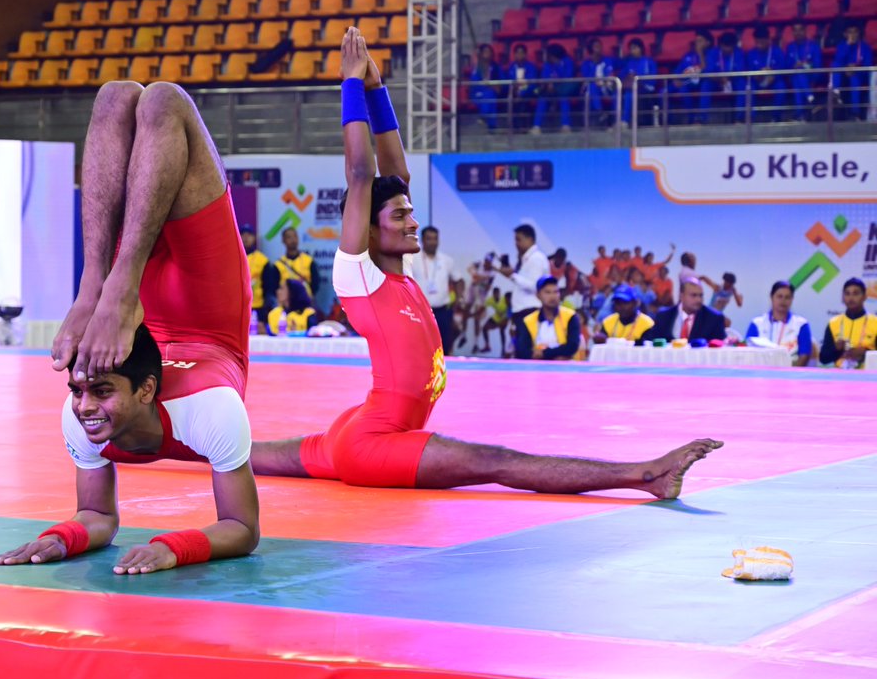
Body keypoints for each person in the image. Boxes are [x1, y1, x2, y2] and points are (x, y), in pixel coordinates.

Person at [249, 28, 723, 497]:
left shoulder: (400, 275)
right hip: (374, 443)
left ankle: (173, 441)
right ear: (371, 231)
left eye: (411, 211)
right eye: (400, 215)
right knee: (495, 462)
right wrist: (350, 84)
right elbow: (360, 174)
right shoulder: (358, 276)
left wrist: (376, 90)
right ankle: (644, 475)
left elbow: (396, 176)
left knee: (240, 452)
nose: (413, 219)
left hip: (355, 430)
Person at [0, 81, 260, 576]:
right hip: (211, 309)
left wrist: (173, 547)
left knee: (153, 99)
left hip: (140, 307)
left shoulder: (205, 413)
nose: (83, 406)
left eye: (96, 391)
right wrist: (62, 538)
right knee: (131, 98)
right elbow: (96, 516)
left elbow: (244, 530)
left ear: (146, 390)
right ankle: (100, 278)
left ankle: (106, 281)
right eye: (79, 390)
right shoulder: (91, 414)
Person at [410, 225, 463, 355]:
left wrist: (459, 299)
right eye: (429, 239)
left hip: (443, 311)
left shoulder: (447, 260)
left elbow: (459, 280)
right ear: (422, 240)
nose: (433, 242)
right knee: (421, 347)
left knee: (444, 346)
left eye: (435, 239)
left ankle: (444, 374)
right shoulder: (412, 259)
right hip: (420, 311)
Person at [745, 281, 812, 367]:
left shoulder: (801, 324)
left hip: (790, 373)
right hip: (760, 372)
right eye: (779, 296)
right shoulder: (757, 323)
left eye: (787, 297)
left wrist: (793, 374)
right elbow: (748, 352)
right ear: (771, 297)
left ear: (792, 299)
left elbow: (805, 354)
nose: (783, 300)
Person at [513, 276, 581, 360]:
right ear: (538, 295)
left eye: (556, 292)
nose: (552, 296)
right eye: (547, 292)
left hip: (567, 368)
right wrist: (554, 355)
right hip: (536, 368)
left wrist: (544, 353)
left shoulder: (570, 316)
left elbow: (572, 346)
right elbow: (523, 351)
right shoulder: (528, 321)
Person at [498, 223, 549, 331]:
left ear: (530, 239)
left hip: (529, 311)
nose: (516, 244)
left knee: (528, 347)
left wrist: (512, 276)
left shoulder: (536, 258)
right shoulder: (527, 259)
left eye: (518, 240)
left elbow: (535, 286)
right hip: (523, 311)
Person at [819, 277, 877, 368]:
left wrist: (865, 354)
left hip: (868, 377)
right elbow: (823, 358)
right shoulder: (833, 323)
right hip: (840, 377)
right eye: (847, 294)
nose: (851, 298)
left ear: (865, 296)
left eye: (856, 293)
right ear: (843, 297)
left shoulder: (875, 323)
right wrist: (836, 348)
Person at [651, 279, 728, 342]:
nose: (698, 300)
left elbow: (721, 347)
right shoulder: (663, 316)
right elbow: (651, 341)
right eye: (693, 295)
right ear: (681, 296)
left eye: (700, 295)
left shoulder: (714, 318)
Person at [831, 21, 873, 121]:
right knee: (835, 65)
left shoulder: (865, 47)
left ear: (859, 33)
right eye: (850, 32)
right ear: (845, 34)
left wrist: (856, 69)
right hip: (843, 75)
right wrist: (847, 45)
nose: (853, 35)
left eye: (855, 32)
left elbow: (867, 66)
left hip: (859, 75)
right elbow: (838, 61)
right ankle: (836, 92)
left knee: (854, 79)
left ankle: (855, 113)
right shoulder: (842, 46)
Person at [532, 43, 577, 134]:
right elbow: (544, 77)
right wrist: (549, 84)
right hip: (550, 90)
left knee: (564, 98)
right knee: (542, 99)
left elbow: (568, 77)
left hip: (564, 89)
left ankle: (566, 125)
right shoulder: (547, 64)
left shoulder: (567, 62)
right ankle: (537, 126)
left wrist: (555, 83)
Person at [241, 223, 279, 333]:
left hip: (258, 307)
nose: (246, 237)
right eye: (243, 234)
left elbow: (269, 286)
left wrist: (266, 308)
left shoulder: (262, 260)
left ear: (254, 238)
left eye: (249, 235)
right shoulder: (232, 257)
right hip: (237, 308)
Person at [747, 26, 788, 122]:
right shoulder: (751, 53)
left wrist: (773, 74)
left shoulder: (777, 51)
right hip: (757, 81)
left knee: (781, 86)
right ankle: (751, 118)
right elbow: (749, 72)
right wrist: (758, 75)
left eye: (762, 42)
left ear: (768, 40)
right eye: (757, 42)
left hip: (773, 81)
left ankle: (775, 117)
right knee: (748, 87)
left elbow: (782, 70)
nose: (759, 45)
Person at [706, 32, 748, 123]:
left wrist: (728, 78)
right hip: (717, 81)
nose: (727, 49)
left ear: (734, 46)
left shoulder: (739, 53)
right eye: (724, 46)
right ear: (720, 45)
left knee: (742, 84)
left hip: (733, 81)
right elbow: (709, 72)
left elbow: (741, 71)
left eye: (729, 47)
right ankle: (702, 119)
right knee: (705, 85)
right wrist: (720, 79)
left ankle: (739, 118)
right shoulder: (713, 52)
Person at [785, 22, 823, 121]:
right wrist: (794, 66)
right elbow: (787, 66)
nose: (798, 33)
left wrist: (804, 65)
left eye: (800, 30)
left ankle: (799, 114)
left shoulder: (813, 46)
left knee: (799, 75)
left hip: (812, 75)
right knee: (797, 77)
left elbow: (818, 65)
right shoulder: (790, 47)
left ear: (805, 31)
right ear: (792, 32)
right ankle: (811, 100)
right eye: (795, 30)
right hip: (795, 77)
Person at [675, 30, 714, 125]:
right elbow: (677, 72)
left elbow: (706, 70)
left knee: (706, 85)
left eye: (700, 41)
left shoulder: (712, 53)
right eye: (696, 41)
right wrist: (676, 80)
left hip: (705, 81)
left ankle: (701, 119)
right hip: (689, 82)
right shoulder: (688, 55)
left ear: (708, 43)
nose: (697, 43)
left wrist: (700, 52)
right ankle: (691, 119)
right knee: (670, 91)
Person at [275, 226, 321, 302]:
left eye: (295, 236)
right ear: (283, 240)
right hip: (286, 304)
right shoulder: (278, 264)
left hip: (306, 302)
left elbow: (315, 282)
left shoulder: (308, 261)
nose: (293, 239)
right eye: (289, 237)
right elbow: (274, 287)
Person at [620, 38, 658, 127]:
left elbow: (653, 81)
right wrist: (628, 78)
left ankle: (625, 121)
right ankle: (620, 120)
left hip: (647, 88)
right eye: (631, 49)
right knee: (625, 93)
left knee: (629, 93)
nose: (633, 51)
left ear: (641, 48)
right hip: (632, 88)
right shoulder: (629, 62)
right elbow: (622, 77)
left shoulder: (649, 61)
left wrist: (638, 80)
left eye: (635, 48)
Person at [580, 38, 617, 125]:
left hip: (606, 86)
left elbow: (610, 74)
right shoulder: (586, 63)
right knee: (592, 87)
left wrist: (604, 83)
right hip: (591, 88)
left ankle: (616, 120)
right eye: (596, 46)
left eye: (600, 46)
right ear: (591, 49)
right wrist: (594, 63)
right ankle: (599, 112)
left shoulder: (607, 60)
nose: (599, 48)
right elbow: (587, 78)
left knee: (617, 93)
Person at [470, 43, 502, 130]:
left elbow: (501, 81)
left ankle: (489, 122)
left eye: (489, 51)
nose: (487, 53)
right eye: (485, 51)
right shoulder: (477, 67)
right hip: (478, 93)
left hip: (491, 92)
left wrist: (495, 86)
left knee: (491, 95)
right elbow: (474, 83)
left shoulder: (495, 67)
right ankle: (489, 121)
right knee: (489, 95)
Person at [507, 43, 540, 129]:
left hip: (531, 90)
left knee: (524, 96)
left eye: (522, 53)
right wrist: (515, 89)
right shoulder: (511, 67)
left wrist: (521, 91)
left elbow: (531, 81)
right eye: (517, 53)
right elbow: (510, 80)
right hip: (515, 91)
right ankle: (516, 127)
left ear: (525, 54)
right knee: (511, 98)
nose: (519, 55)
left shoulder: (531, 66)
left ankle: (524, 126)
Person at [482, 286, 509, 355]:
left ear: (499, 293)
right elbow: (483, 306)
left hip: (504, 318)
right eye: (495, 294)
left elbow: (510, 308)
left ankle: (503, 349)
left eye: (497, 293)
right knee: (484, 328)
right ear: (493, 294)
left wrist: (506, 319)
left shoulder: (504, 299)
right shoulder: (491, 300)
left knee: (502, 330)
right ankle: (487, 345)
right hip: (496, 318)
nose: (496, 295)